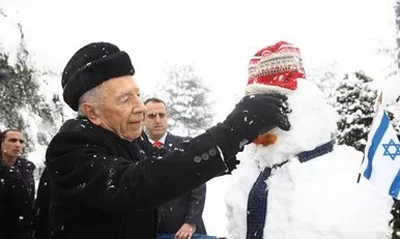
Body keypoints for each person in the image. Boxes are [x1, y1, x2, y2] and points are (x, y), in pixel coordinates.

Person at [45, 41, 291, 239]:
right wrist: (229, 133)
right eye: (124, 99)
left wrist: (244, 151)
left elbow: (170, 164)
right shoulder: (70, 147)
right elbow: (137, 183)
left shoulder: (130, 139)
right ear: (92, 112)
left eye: (137, 94)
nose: (140, 107)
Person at [144, 98, 207, 238]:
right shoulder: (137, 149)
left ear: (168, 117)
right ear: (143, 119)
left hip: (185, 231)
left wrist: (191, 222)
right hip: (150, 230)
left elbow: (199, 184)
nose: (158, 120)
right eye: (151, 115)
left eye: (161, 115)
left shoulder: (186, 145)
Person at [0, 129, 36, 239]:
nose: (17, 144)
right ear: (2, 143)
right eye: (12, 140)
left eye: (21, 141)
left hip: (23, 231)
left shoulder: (27, 168)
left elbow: (29, 201)